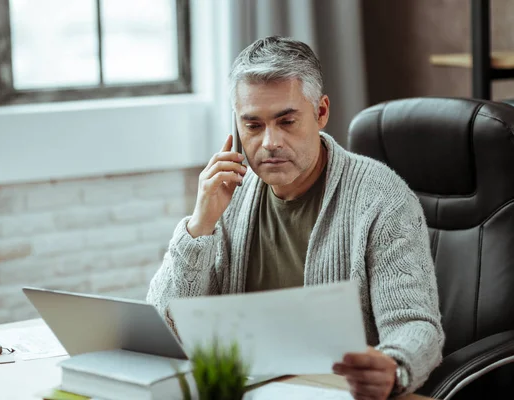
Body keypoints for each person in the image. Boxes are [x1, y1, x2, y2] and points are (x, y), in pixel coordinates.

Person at [147, 36, 444, 399]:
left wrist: (395, 367)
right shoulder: (228, 194)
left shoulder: (382, 197)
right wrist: (199, 226)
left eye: (286, 121)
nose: (270, 142)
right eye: (253, 126)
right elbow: (164, 327)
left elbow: (415, 325)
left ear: (321, 113)